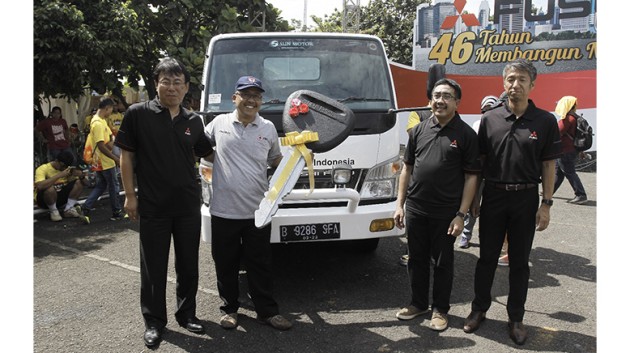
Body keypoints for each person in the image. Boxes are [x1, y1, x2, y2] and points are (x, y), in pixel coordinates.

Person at [115, 58, 213, 347]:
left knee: (188, 264)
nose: (172, 87)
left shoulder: (194, 120)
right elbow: (126, 156)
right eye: (166, 81)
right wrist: (130, 196)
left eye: (178, 82)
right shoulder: (137, 114)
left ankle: (187, 315)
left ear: (185, 88)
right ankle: (155, 322)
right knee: (153, 267)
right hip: (153, 205)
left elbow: (209, 154)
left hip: (186, 205)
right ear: (156, 84)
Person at [463, 59, 561, 345]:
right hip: (494, 195)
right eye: (510, 79)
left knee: (519, 262)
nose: (515, 85)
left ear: (532, 84)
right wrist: (475, 200)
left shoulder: (544, 121)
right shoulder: (490, 119)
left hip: (526, 198)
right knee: (486, 259)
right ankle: (479, 309)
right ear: (503, 83)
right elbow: (480, 163)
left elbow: (549, 166)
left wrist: (547, 204)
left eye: (521, 80)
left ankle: (516, 317)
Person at [205, 75, 292, 331]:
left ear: (260, 101)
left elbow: (277, 161)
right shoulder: (217, 124)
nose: (251, 101)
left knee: (260, 264)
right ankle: (229, 310)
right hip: (223, 211)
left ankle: (267, 312)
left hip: (258, 211)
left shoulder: (267, 128)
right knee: (226, 263)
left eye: (256, 96)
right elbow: (199, 148)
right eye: (246, 95)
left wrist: (296, 167)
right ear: (235, 98)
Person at [393, 78, 480, 332]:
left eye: (447, 96)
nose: (440, 100)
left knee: (443, 262)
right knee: (416, 259)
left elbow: (471, 176)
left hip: (446, 212)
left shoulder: (465, 134)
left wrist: (461, 214)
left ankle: (440, 309)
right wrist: (400, 204)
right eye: (436, 95)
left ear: (457, 102)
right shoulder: (418, 130)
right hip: (417, 208)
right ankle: (418, 303)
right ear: (430, 100)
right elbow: (406, 168)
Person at [458, 95, 498, 249]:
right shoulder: (477, 124)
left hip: (495, 175)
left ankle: (489, 239)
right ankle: (465, 236)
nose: (487, 112)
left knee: (492, 209)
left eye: (491, 109)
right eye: (485, 109)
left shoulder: (503, 124)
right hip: (478, 172)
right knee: (472, 205)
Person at [81, 97, 125, 222]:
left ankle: (86, 207)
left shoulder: (100, 121)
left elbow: (108, 140)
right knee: (114, 187)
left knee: (101, 186)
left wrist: (111, 141)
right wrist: (115, 159)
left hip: (100, 161)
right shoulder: (98, 124)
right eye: (111, 109)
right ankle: (116, 212)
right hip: (105, 161)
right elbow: (101, 145)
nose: (111, 112)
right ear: (107, 108)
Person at [34, 150, 88, 223]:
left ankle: (68, 209)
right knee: (49, 188)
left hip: (60, 198)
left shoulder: (68, 170)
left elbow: (88, 184)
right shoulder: (43, 168)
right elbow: (40, 186)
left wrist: (81, 176)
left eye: (66, 166)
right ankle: (54, 211)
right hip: (43, 200)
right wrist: (59, 175)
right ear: (56, 161)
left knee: (79, 182)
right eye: (63, 166)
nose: (64, 168)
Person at [553, 95, 588, 204]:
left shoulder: (567, 118)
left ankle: (581, 195)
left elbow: (557, 132)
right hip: (570, 150)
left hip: (565, 151)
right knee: (558, 173)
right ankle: (548, 191)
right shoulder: (576, 117)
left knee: (570, 173)